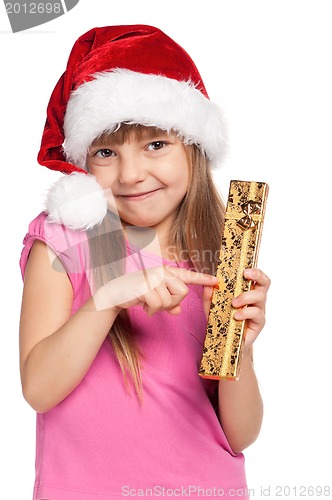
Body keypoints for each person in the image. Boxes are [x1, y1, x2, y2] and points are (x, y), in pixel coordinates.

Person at [19, 25, 270, 500]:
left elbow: (240, 435)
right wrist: (109, 297)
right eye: (106, 152)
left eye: (156, 144)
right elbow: (39, 388)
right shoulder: (67, 238)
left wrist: (242, 347)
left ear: (194, 148)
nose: (132, 174)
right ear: (82, 163)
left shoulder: (219, 248)